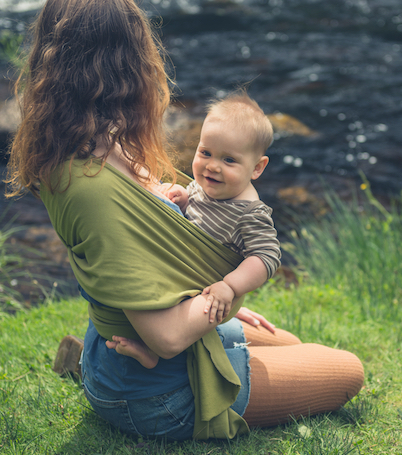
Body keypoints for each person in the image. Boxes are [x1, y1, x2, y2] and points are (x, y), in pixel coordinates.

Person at [6, 0, 364, 441]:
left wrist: (220, 301)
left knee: (291, 344)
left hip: (142, 339)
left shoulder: (96, 140)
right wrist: (225, 297)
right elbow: (169, 337)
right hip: (156, 392)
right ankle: (106, 383)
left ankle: (90, 365)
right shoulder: (92, 188)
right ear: (125, 58)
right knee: (348, 369)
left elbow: (155, 254)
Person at [109, 91, 280, 367]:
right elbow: (196, 218)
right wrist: (184, 198)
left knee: (166, 301)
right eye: (205, 153)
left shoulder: (250, 212)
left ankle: (155, 352)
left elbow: (266, 257)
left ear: (257, 168)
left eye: (229, 160)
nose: (212, 166)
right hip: (183, 269)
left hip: (202, 284)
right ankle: (149, 344)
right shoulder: (205, 188)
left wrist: (230, 286)